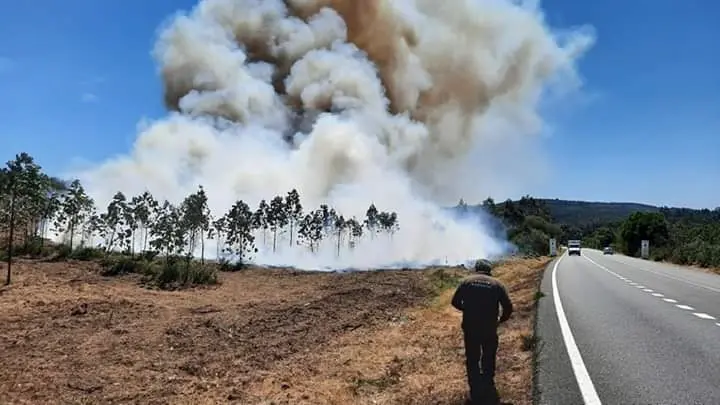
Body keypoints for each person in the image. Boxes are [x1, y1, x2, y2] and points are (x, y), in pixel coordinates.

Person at [451, 259, 514, 404]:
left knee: (472, 357)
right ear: (489, 270)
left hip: (470, 326)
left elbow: (454, 301)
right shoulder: (497, 284)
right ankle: (487, 382)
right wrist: (500, 320)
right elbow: (508, 307)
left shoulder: (466, 282)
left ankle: (474, 387)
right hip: (489, 327)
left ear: (476, 269)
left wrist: (467, 310)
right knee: (488, 355)